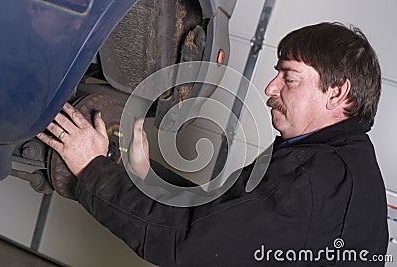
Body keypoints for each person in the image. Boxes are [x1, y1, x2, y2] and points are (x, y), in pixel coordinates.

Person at [37, 22, 388, 266]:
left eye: (289, 77)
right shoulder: (341, 161)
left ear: (337, 93)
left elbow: (186, 243)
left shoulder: (313, 180)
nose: (270, 88)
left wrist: (90, 168)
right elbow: (223, 218)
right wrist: (146, 175)